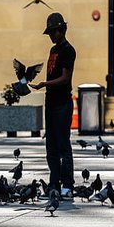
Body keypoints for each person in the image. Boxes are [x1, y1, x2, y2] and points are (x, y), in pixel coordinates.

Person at [29, 13, 76, 199]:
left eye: (53, 32)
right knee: (51, 146)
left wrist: (44, 85)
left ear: (61, 30)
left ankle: (67, 184)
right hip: (51, 102)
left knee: (63, 145)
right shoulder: (53, 50)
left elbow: (66, 78)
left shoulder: (68, 50)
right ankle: (54, 182)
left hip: (62, 103)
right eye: (49, 33)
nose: (51, 36)